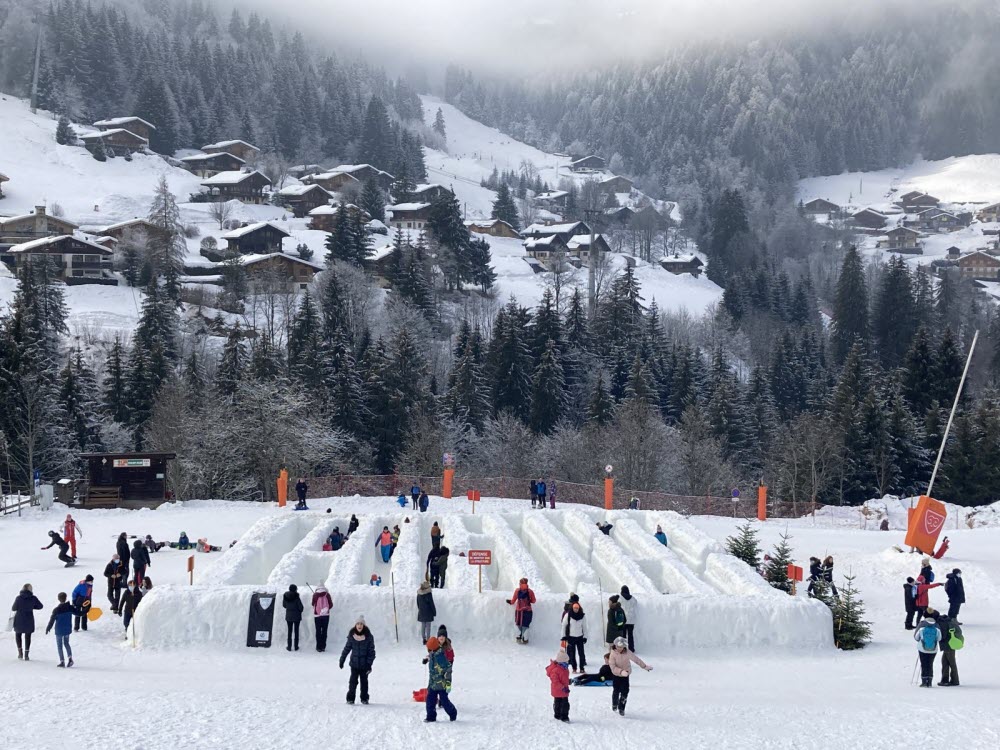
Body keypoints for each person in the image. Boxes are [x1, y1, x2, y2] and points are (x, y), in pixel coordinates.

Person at [608, 636, 652, 715]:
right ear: (615, 646)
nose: (620, 648)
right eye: (618, 647)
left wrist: (644, 666)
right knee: (616, 691)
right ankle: (614, 704)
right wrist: (621, 672)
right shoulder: (613, 654)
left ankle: (622, 708)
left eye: (621, 647)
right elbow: (612, 667)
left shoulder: (627, 652)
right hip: (617, 675)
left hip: (626, 675)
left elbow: (636, 659)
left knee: (625, 692)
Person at [339, 615, 376, 705]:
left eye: (361, 624)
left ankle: (364, 698)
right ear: (355, 625)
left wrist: (369, 664)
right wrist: (342, 659)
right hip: (354, 664)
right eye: (358, 624)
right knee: (352, 682)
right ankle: (350, 698)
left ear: (364, 626)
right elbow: (347, 649)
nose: (359, 626)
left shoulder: (368, 637)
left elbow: (372, 652)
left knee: (364, 683)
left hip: (364, 665)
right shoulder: (352, 636)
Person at [423, 637, 457, 722]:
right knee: (430, 701)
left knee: (445, 702)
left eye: (428, 648)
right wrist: (426, 659)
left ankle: (453, 713)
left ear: (432, 648)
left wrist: (448, 684)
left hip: (442, 684)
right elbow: (430, 660)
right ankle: (431, 717)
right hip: (433, 684)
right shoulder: (432, 654)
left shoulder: (441, 657)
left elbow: (448, 669)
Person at [11, 584, 43, 661]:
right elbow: (40, 606)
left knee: (18, 635)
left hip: (19, 619)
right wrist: (32, 607)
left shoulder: (18, 598)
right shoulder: (33, 598)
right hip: (29, 619)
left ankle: (20, 653)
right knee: (28, 636)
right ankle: (26, 655)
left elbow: (14, 608)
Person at [933, 608, 962, 686]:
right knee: (945, 662)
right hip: (950, 644)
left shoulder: (941, 623)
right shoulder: (945, 620)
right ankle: (945, 680)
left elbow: (943, 635)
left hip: (949, 645)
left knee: (951, 662)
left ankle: (954, 680)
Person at [45, 592, 75, 667]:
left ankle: (62, 661)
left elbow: (52, 620)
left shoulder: (56, 610)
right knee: (66, 643)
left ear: (58, 599)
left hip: (59, 630)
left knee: (59, 646)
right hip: (67, 629)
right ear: (66, 598)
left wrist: (48, 628)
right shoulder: (70, 607)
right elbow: (79, 613)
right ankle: (70, 658)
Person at [561, 599, 587, 674]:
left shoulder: (582, 616)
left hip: (579, 637)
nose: (576, 609)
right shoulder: (568, 615)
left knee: (581, 653)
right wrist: (564, 636)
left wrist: (585, 637)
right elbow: (564, 626)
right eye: (574, 608)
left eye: (577, 608)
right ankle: (574, 668)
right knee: (572, 654)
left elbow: (585, 627)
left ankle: (582, 668)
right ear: (572, 608)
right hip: (571, 637)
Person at [914, 612, 940, 687]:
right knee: (930, 664)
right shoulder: (937, 626)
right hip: (933, 649)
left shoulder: (922, 625)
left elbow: (916, 637)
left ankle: (924, 681)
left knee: (924, 664)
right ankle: (930, 681)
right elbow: (939, 638)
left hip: (922, 648)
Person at [546, 648, 572, 722]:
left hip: (564, 689)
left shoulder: (565, 668)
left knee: (564, 703)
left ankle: (562, 715)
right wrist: (562, 687)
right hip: (558, 690)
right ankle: (560, 716)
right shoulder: (555, 670)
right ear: (561, 662)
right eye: (566, 661)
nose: (567, 662)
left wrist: (567, 682)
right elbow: (555, 682)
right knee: (560, 703)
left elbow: (564, 678)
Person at [508, 578, 536, 643]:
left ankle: (519, 637)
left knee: (519, 623)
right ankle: (525, 639)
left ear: (520, 583)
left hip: (519, 611)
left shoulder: (517, 591)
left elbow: (513, 601)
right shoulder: (530, 591)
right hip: (528, 611)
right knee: (526, 625)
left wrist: (510, 602)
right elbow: (534, 601)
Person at [282, 584, 303, 651]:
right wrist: (299, 610)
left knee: (289, 631)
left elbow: (284, 605)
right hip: (296, 617)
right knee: (296, 631)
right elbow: (301, 607)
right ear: (295, 589)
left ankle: (289, 647)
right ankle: (296, 647)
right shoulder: (297, 597)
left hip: (288, 616)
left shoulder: (285, 596)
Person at [312, 586, 333, 652]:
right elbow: (331, 605)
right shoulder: (327, 594)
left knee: (318, 631)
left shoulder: (315, 594)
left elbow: (312, 604)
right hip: (326, 615)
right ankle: (323, 646)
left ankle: (318, 647)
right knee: (324, 631)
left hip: (317, 615)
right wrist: (325, 610)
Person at [620, 586, 637, 652]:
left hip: (624, 619)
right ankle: (631, 648)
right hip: (631, 620)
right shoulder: (633, 599)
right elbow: (636, 603)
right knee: (630, 635)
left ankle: (623, 648)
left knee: (623, 635)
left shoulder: (620, 598)